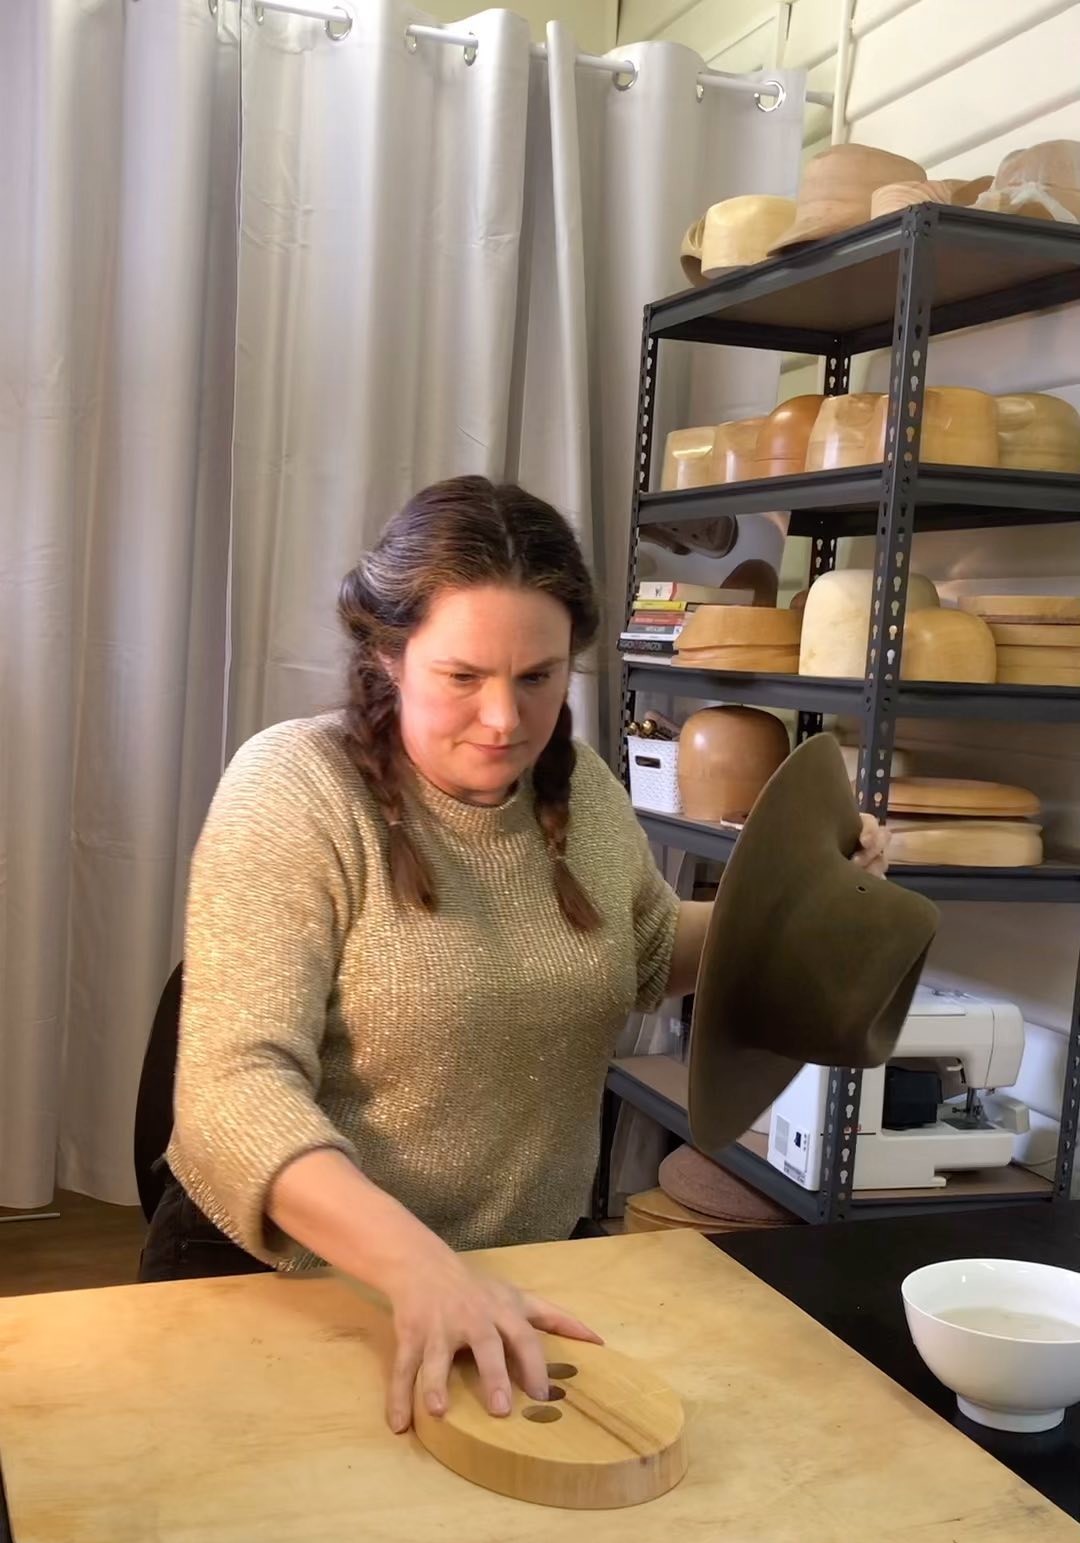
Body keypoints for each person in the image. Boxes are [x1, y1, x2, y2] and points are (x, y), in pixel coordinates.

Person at [140, 475, 888, 1432]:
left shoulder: (583, 797)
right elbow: (230, 1094)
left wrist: (804, 889)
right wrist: (423, 1271)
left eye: (537, 678)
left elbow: (651, 955)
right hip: (292, 1279)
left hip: (517, 1274)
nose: (505, 720)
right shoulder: (298, 789)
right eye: (463, 678)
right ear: (387, 655)